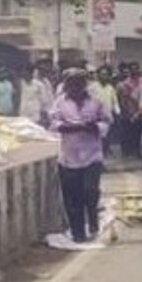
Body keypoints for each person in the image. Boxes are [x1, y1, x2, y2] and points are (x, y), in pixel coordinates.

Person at [50, 69, 110, 244]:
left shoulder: (97, 101)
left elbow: (107, 121)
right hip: (69, 157)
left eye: (78, 83)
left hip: (92, 155)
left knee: (90, 191)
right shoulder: (60, 102)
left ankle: (92, 217)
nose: (75, 87)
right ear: (66, 85)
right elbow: (53, 122)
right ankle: (78, 234)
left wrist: (94, 127)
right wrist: (65, 127)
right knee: (72, 198)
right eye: (71, 83)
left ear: (84, 84)